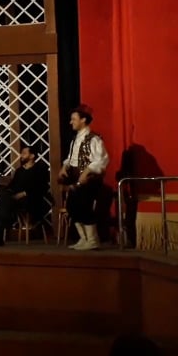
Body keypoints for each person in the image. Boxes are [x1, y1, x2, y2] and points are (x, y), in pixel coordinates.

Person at [58, 104, 109, 250]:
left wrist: (86, 172)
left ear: (83, 120)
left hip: (89, 179)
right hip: (76, 176)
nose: (71, 122)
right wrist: (64, 167)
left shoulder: (94, 139)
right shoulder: (75, 139)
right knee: (72, 207)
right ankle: (84, 238)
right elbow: (71, 157)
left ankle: (92, 240)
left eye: (74, 119)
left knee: (84, 207)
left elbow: (101, 160)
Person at [0, 145, 50, 246]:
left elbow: (42, 187)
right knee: (3, 200)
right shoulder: (19, 171)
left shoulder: (40, 169)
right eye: (21, 153)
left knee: (3, 207)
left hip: (32, 200)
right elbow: (12, 186)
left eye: (24, 153)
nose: (21, 155)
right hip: (15, 200)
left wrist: (24, 193)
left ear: (32, 156)